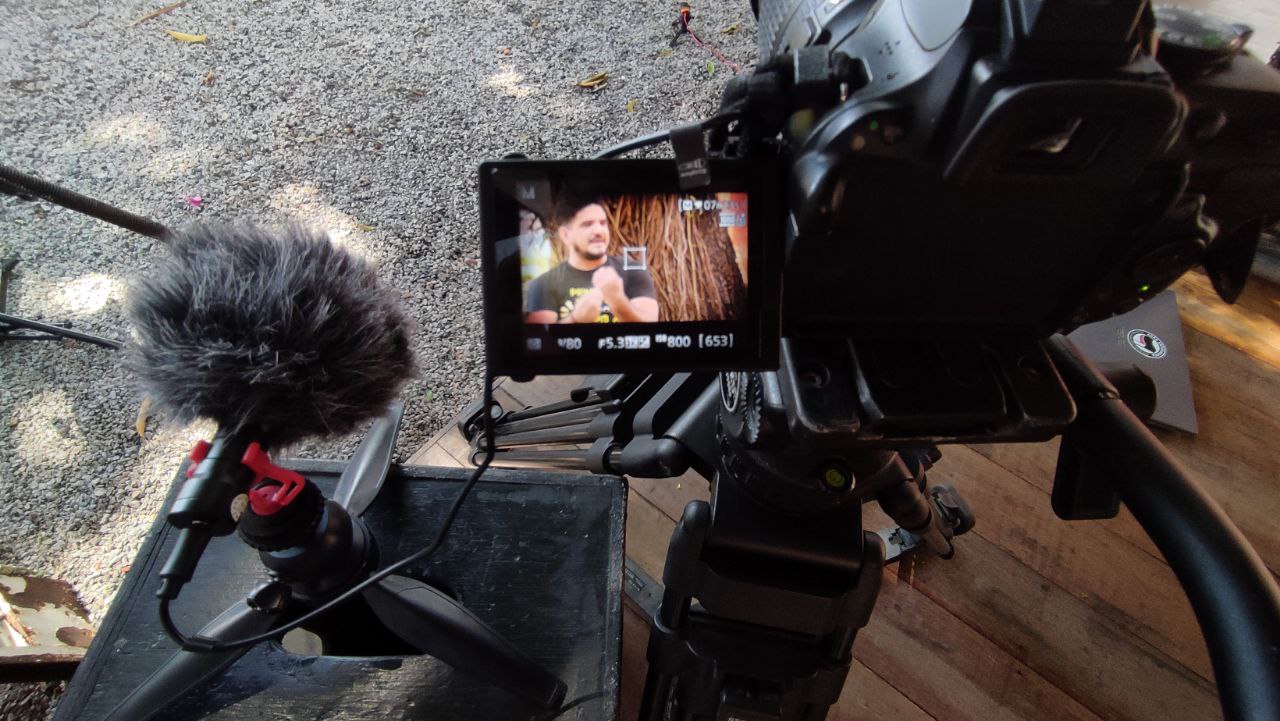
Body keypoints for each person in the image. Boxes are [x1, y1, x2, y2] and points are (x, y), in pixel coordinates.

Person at [524, 197, 659, 323]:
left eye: (603, 223)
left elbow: (650, 326)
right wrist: (575, 318)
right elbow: (540, 336)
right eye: (587, 224)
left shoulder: (633, 272)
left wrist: (617, 300)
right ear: (565, 235)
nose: (599, 231)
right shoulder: (544, 284)